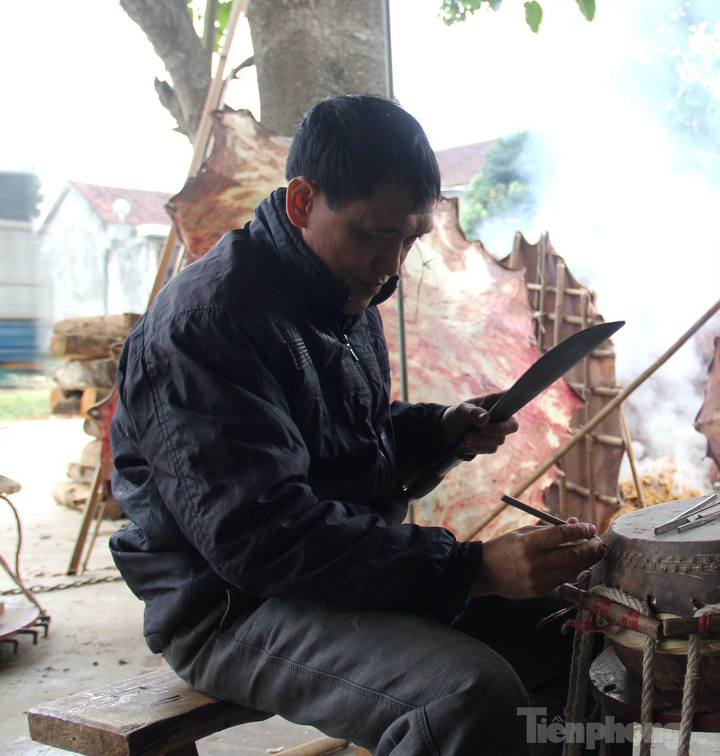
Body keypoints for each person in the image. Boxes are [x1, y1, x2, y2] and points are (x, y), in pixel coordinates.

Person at [109, 94, 606, 756]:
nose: (392, 264)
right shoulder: (207, 325)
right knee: (465, 699)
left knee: (582, 635)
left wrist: (439, 434)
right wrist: (470, 570)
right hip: (230, 605)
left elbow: (337, 448)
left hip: (332, 577)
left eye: (410, 239)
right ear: (301, 203)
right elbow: (261, 537)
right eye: (376, 235)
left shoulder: (343, 288)